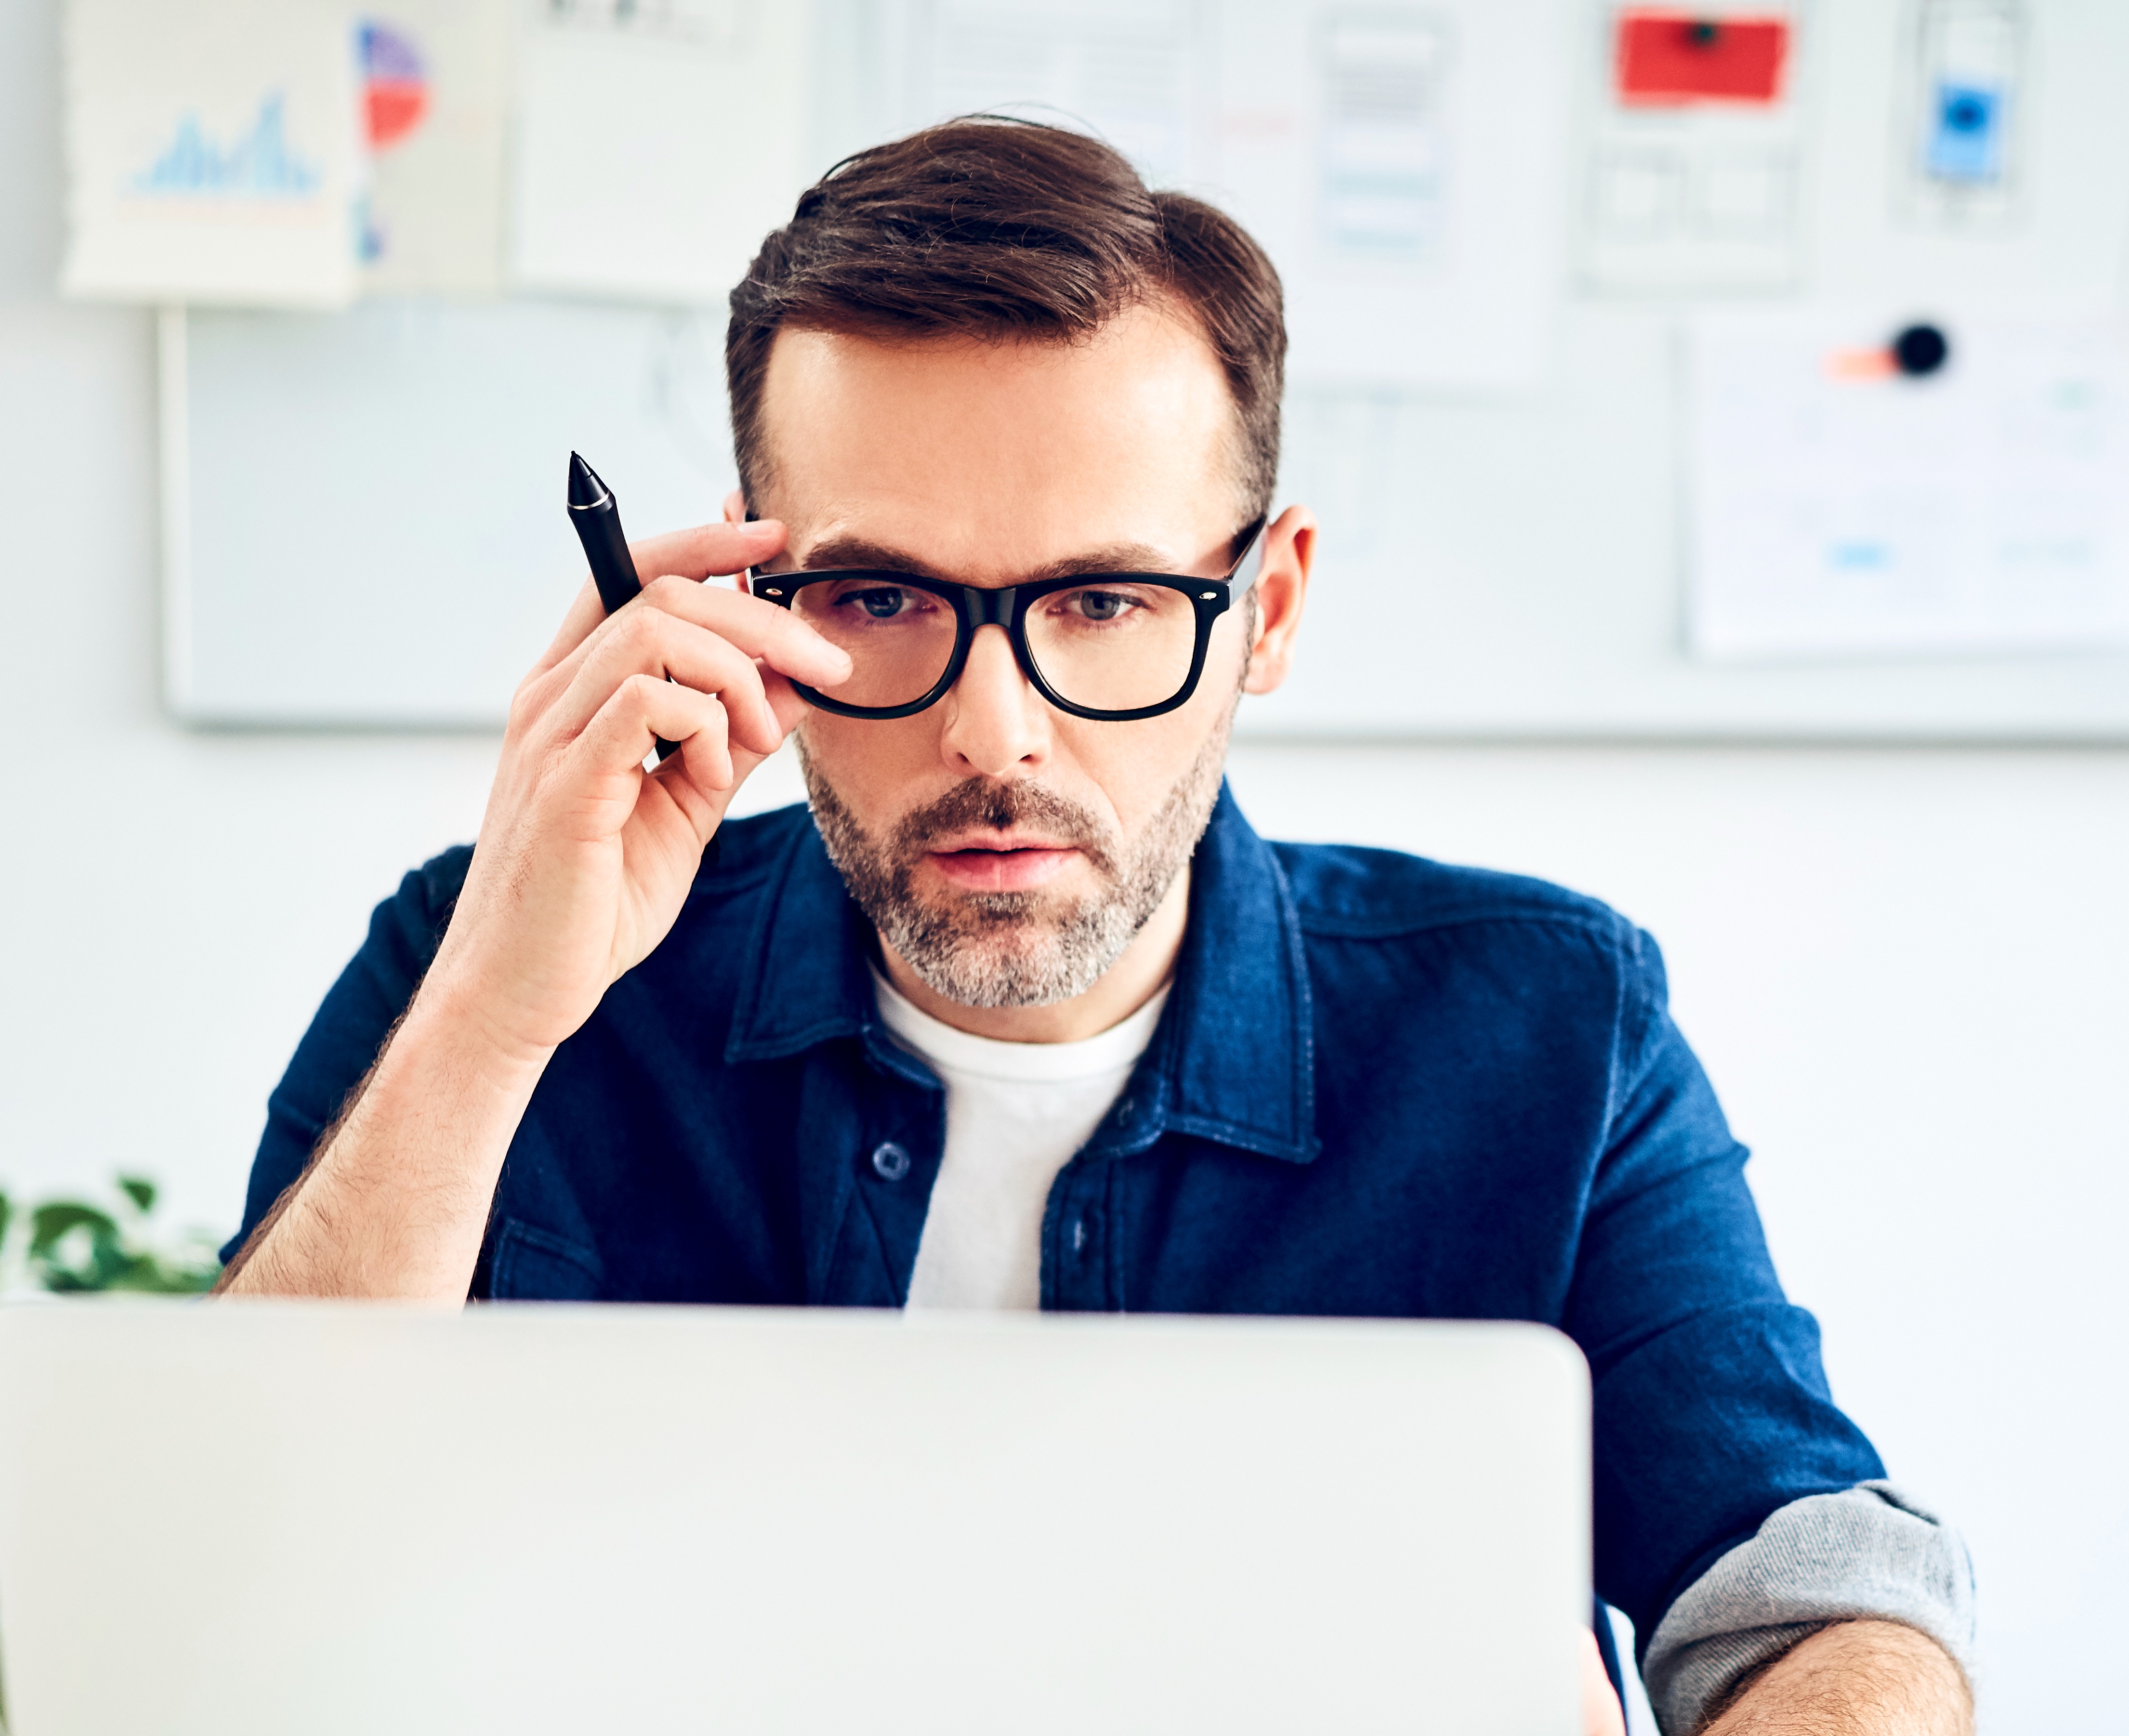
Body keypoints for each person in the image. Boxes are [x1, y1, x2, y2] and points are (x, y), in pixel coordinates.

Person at [218, 118, 1972, 1736]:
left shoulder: (1545, 1025)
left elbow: (1811, 1599)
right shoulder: (497, 965)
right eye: (881, 598)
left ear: (1262, 609)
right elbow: (231, 1591)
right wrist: (497, 1024)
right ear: (745, 609)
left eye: (1107, 600)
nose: (996, 732)